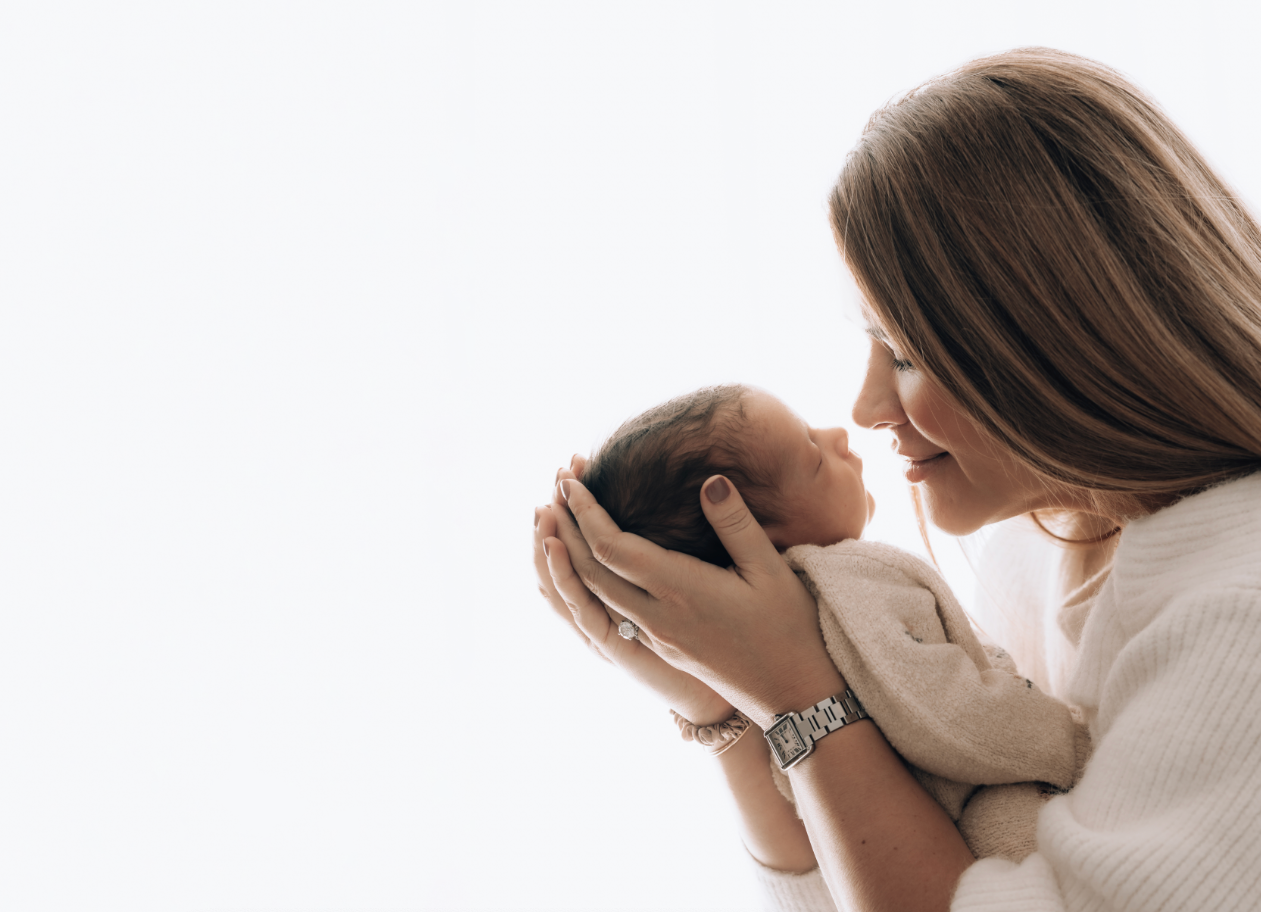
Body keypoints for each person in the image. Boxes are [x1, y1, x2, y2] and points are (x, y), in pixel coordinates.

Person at [531, 47, 1261, 912]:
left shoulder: (1236, 616)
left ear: (1056, 335)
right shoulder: (1039, 544)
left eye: (906, 352)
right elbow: (872, 879)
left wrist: (797, 694)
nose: (868, 406)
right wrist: (725, 708)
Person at [579, 382, 1086, 862]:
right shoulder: (851, 583)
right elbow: (942, 711)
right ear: (753, 538)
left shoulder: (779, 634)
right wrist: (1070, 743)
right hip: (990, 811)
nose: (840, 434)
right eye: (815, 458)